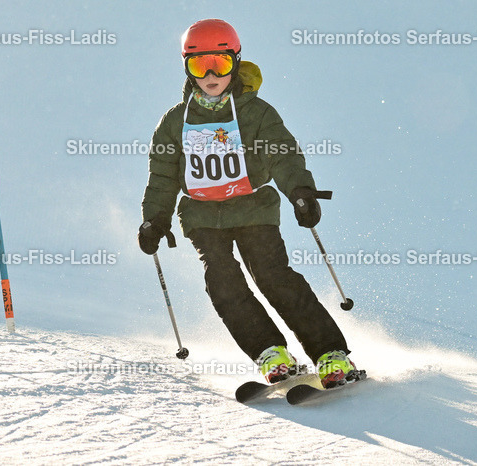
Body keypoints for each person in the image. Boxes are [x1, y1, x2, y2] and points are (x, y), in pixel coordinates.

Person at [138, 19, 357, 387]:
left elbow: (283, 155)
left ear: (235, 63)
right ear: (187, 69)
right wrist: (155, 220)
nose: (210, 74)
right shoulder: (174, 123)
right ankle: (270, 351)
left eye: (220, 64)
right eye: (199, 65)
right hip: (203, 215)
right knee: (221, 281)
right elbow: (162, 176)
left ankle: (329, 353)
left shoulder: (256, 113)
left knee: (272, 275)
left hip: (253, 206)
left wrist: (300, 191)